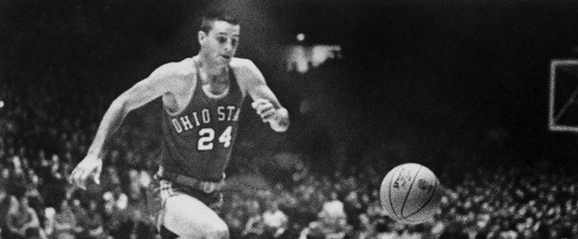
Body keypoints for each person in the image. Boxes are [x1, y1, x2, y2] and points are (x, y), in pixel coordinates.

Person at [69, 8, 289, 239]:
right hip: (171, 190)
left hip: (212, 194)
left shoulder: (245, 72)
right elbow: (123, 102)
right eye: (221, 38)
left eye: (234, 40)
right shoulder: (179, 75)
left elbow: (282, 120)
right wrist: (95, 154)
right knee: (217, 232)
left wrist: (276, 117)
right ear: (202, 38)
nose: (228, 47)